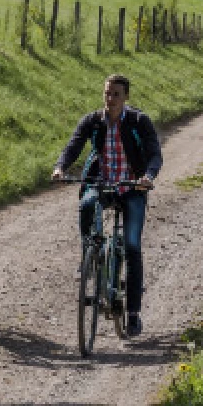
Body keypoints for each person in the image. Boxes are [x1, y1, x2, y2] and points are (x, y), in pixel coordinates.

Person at [52, 74, 162, 337]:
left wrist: (148, 177)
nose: (110, 99)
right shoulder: (93, 121)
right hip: (102, 184)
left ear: (126, 98)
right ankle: (89, 252)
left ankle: (133, 314)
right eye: (107, 93)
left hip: (132, 188)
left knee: (132, 246)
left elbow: (154, 153)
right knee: (87, 204)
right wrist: (60, 167)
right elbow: (74, 144)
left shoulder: (138, 121)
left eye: (116, 95)